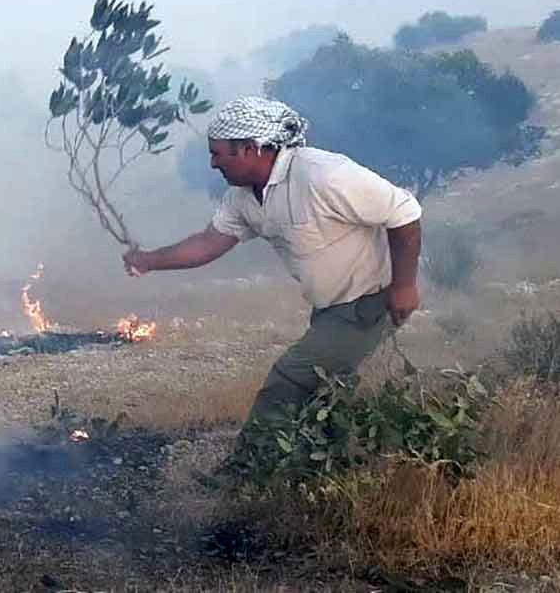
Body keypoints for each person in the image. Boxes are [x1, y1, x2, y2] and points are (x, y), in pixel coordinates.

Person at [122, 96, 423, 480]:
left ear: (250, 149)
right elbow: (208, 243)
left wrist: (404, 286)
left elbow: (405, 213)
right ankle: (322, 473)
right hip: (330, 310)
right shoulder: (243, 198)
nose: (213, 163)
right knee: (327, 393)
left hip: (368, 302)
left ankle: (243, 474)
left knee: (289, 378)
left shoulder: (322, 175)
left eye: (218, 154)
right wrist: (148, 261)